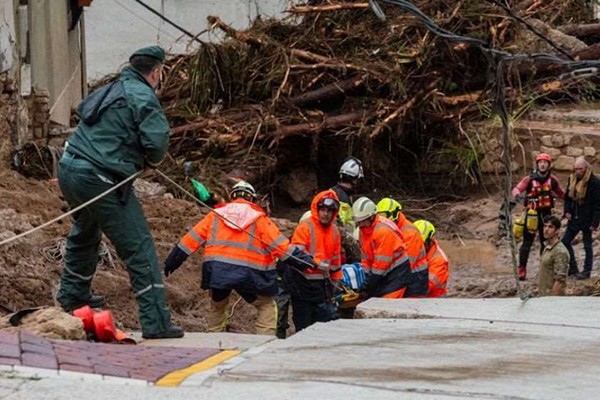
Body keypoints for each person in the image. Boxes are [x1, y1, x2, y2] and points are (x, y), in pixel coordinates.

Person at [57, 46, 183, 339]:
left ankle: (74, 296)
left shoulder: (111, 88)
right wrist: (150, 161)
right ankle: (156, 322)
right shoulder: (143, 96)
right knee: (139, 246)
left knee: (85, 230)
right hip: (100, 178)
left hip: (68, 169)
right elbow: (157, 140)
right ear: (156, 72)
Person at [163, 181, 314, 336]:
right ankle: (263, 344)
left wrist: (173, 261)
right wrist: (306, 262)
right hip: (250, 275)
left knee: (217, 306)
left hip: (218, 272)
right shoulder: (259, 219)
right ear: (252, 199)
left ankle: (214, 340)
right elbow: (282, 248)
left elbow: (191, 239)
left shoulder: (215, 215)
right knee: (266, 306)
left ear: (232, 196)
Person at [283, 190, 342, 332]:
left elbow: (335, 261)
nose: (325, 214)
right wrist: (316, 263)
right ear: (317, 209)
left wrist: (336, 284)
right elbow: (297, 256)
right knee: (304, 327)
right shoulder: (305, 227)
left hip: (322, 287)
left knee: (323, 329)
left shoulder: (334, 231)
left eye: (329, 210)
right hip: (302, 285)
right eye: (323, 209)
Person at [511, 153, 564, 281]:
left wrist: (572, 203)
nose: (542, 164)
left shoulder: (553, 180)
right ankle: (522, 269)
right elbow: (516, 189)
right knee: (527, 243)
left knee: (544, 242)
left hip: (546, 215)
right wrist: (518, 196)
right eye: (540, 162)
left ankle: (543, 269)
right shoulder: (529, 179)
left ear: (549, 165)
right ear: (537, 164)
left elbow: (562, 194)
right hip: (531, 215)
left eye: (545, 162)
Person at [352, 197, 415, 298]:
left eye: (362, 220)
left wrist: (369, 285)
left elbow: (381, 264)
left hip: (397, 273)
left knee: (388, 305)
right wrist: (367, 279)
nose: (360, 224)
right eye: (358, 221)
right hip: (382, 272)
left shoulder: (383, 231)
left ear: (371, 217)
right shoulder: (363, 231)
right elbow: (366, 257)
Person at [376, 198, 428, 296]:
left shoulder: (410, 233)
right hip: (400, 274)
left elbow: (408, 263)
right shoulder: (387, 229)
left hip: (415, 279)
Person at [562, 157, 600, 280]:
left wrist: (595, 222)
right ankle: (573, 268)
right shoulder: (572, 178)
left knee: (587, 246)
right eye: (576, 169)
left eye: (581, 169)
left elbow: (597, 204)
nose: (578, 171)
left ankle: (586, 271)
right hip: (574, 216)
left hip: (587, 218)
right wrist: (567, 211)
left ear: (586, 168)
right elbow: (567, 197)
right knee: (565, 242)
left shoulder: (594, 182)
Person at [413, 220, 449, 297]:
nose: (418, 246)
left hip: (434, 302)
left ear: (430, 240)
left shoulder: (439, 260)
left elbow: (428, 286)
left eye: (421, 244)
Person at [538, 216, 570, 296]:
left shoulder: (560, 251)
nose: (546, 229)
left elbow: (560, 280)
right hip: (543, 297)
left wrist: (552, 301)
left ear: (557, 231)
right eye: (545, 226)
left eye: (550, 227)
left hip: (552, 301)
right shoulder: (547, 247)